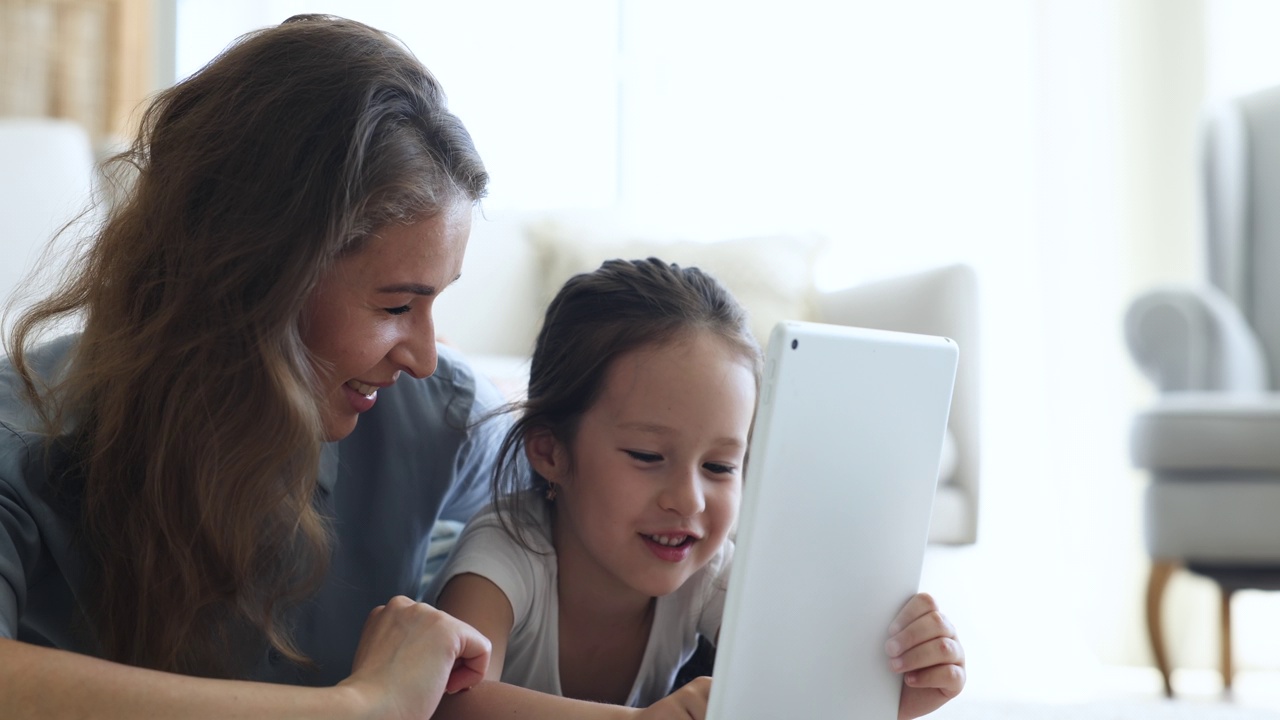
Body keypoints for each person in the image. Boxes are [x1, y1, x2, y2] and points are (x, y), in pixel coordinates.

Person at [0, 15, 507, 719]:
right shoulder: (24, 430)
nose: (425, 356)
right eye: (396, 306)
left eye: (433, 304)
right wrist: (361, 708)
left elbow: (568, 497)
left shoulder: (437, 415)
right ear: (257, 281)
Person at [425, 258, 967, 719]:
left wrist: (892, 692)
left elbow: (798, 692)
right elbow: (448, 703)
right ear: (550, 452)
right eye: (647, 456)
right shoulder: (506, 548)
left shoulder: (709, 572)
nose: (689, 501)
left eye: (721, 466)